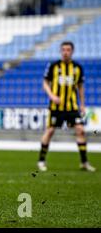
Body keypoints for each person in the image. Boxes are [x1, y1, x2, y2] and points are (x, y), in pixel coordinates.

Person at [38, 41, 96, 172]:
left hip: (72, 107)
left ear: (72, 51)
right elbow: (45, 83)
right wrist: (52, 95)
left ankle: (84, 162)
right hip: (56, 107)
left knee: (80, 130)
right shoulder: (53, 66)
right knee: (50, 131)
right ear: (60, 51)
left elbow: (80, 87)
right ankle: (41, 160)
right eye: (63, 49)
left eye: (68, 50)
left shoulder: (77, 68)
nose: (65, 52)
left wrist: (82, 105)